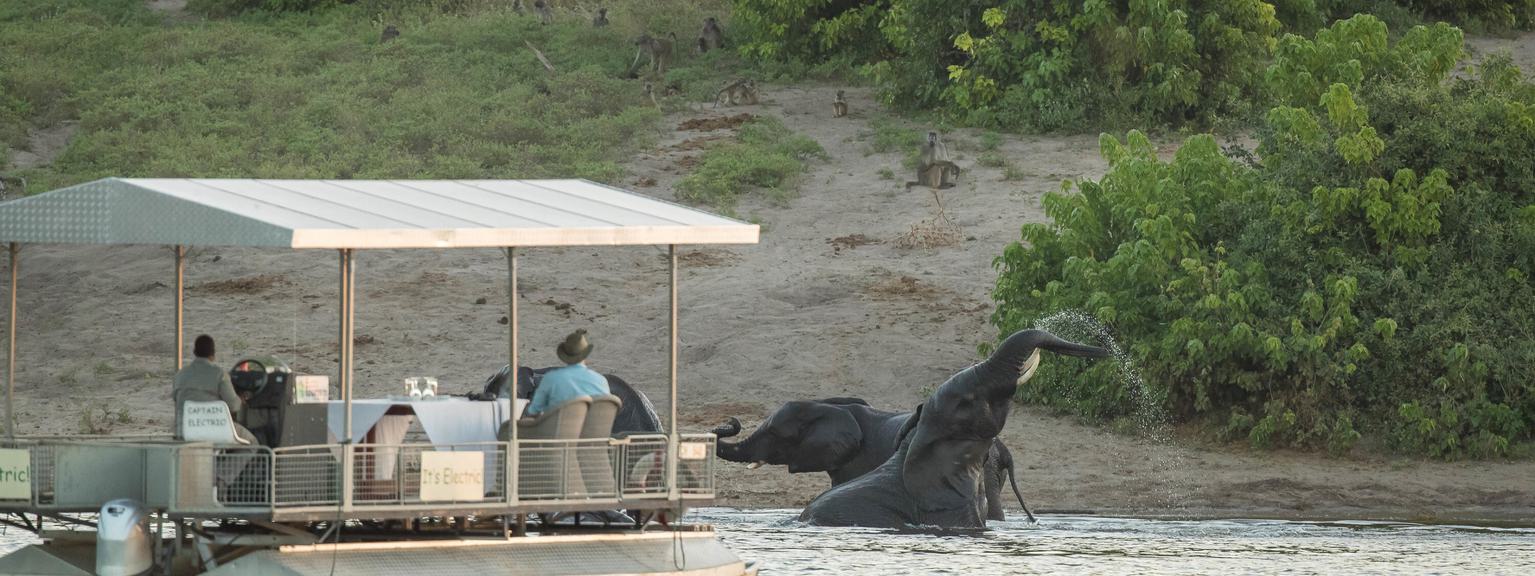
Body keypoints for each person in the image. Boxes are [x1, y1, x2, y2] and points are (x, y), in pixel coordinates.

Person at [173, 335, 258, 444]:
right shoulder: (219, 374)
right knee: (252, 442)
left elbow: (176, 399)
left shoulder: (180, 374)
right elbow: (234, 406)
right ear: (213, 354)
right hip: (214, 429)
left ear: (194, 352)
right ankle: (230, 462)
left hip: (184, 429)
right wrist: (240, 399)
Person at [525, 329, 609, 416]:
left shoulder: (551, 379)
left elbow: (533, 410)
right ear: (586, 354)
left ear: (564, 355)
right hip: (593, 429)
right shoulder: (601, 380)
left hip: (558, 428)